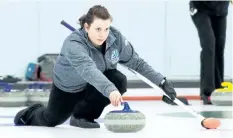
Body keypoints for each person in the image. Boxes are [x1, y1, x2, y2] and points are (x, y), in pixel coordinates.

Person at [14, 5, 177, 128]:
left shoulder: (115, 39)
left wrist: (161, 82)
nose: (103, 34)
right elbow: (88, 70)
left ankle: (82, 116)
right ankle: (30, 113)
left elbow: (137, 62)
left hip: (94, 85)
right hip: (68, 88)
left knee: (118, 80)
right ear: (86, 27)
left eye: (106, 29)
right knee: (51, 119)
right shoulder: (74, 44)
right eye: (97, 29)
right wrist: (110, 90)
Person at [189, 1, 230, 104]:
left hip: (220, 10)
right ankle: (207, 92)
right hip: (200, 8)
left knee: (219, 47)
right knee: (209, 45)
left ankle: (218, 89)